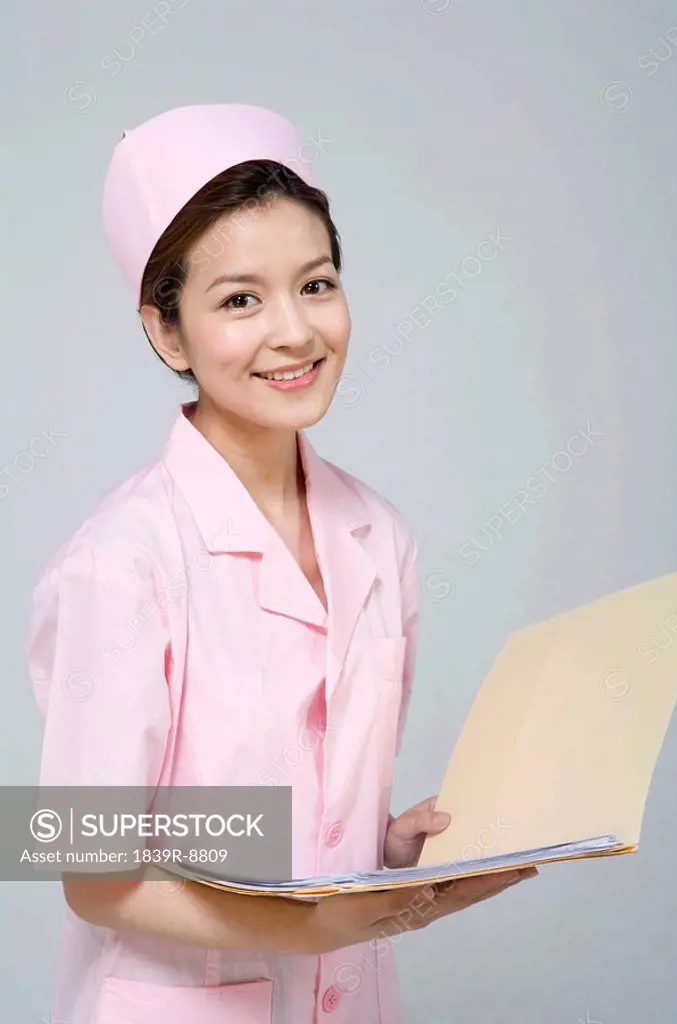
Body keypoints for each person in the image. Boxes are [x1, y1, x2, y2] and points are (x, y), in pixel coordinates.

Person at [26, 103, 536, 1024]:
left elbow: (297, 820)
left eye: (317, 283)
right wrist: (302, 927)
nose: (296, 332)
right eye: (239, 300)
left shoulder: (378, 535)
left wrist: (389, 849)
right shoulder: (121, 562)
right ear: (167, 332)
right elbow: (90, 873)